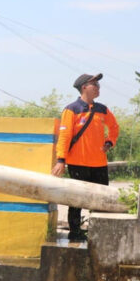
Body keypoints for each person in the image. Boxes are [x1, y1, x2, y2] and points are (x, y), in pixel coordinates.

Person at [51, 73, 119, 241]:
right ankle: (75, 233)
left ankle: (99, 233)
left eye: (98, 84)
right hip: (77, 163)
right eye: (94, 84)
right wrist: (61, 160)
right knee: (76, 200)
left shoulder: (102, 109)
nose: (98, 87)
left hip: (99, 164)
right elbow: (65, 136)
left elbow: (114, 127)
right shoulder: (71, 109)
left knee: (102, 200)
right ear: (84, 87)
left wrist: (110, 142)